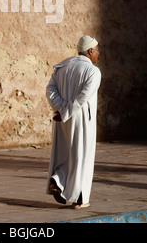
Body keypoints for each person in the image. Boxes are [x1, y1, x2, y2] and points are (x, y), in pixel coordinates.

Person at [46, 35, 101, 209]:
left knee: (65, 154)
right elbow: (84, 97)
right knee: (82, 156)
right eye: (97, 50)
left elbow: (50, 90)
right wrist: (66, 111)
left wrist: (61, 109)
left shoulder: (62, 68)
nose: (98, 54)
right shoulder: (93, 71)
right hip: (82, 119)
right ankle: (80, 199)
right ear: (90, 50)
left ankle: (58, 182)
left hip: (62, 117)